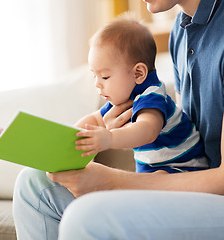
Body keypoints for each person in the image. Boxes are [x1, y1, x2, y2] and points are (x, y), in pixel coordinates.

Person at [13, 0, 224, 239]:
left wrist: (110, 181)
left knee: (88, 216)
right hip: (203, 181)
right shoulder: (182, 29)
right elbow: (183, 132)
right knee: (36, 185)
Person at [74, 15, 208, 173]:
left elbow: (147, 130)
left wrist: (110, 139)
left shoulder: (152, 95)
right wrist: (72, 133)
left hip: (184, 167)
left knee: (155, 179)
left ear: (138, 73)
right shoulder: (124, 95)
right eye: (94, 75)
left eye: (105, 77)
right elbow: (96, 119)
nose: (97, 83)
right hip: (152, 170)